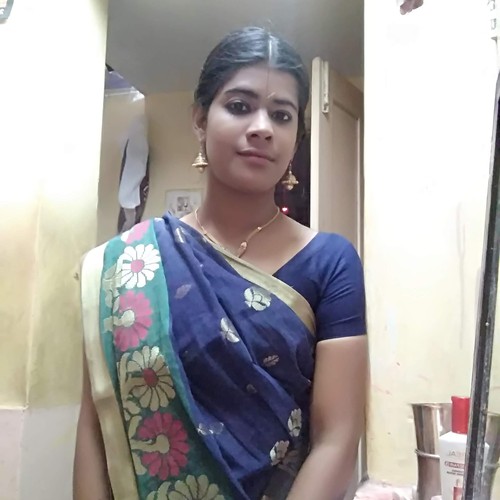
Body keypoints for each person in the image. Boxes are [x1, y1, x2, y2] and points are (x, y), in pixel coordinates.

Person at [74, 26, 368, 500]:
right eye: (239, 106)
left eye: (282, 114)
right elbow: (96, 427)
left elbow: (338, 436)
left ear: (296, 138)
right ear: (200, 119)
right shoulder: (129, 265)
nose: (262, 127)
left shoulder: (331, 263)